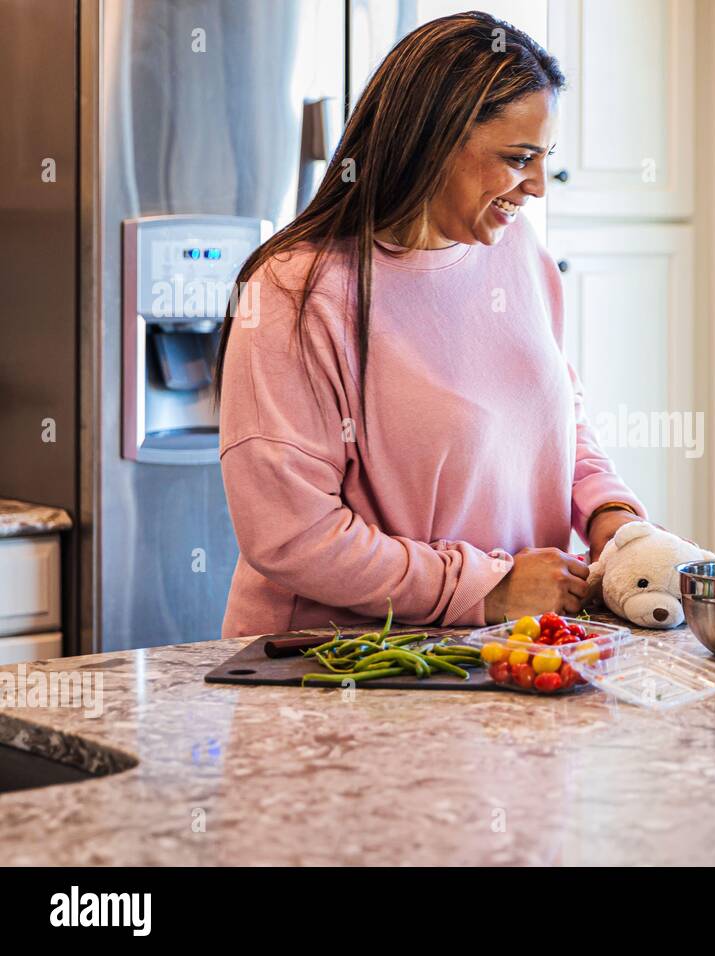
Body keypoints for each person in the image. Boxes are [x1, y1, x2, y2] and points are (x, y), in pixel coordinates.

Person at [214, 13, 648, 637]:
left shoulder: (518, 253)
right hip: (340, 671)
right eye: (517, 158)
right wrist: (488, 587)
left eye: (544, 158)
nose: (536, 187)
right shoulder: (296, 292)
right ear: (431, 142)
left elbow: (556, 420)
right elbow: (293, 535)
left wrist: (611, 517)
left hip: (509, 651)